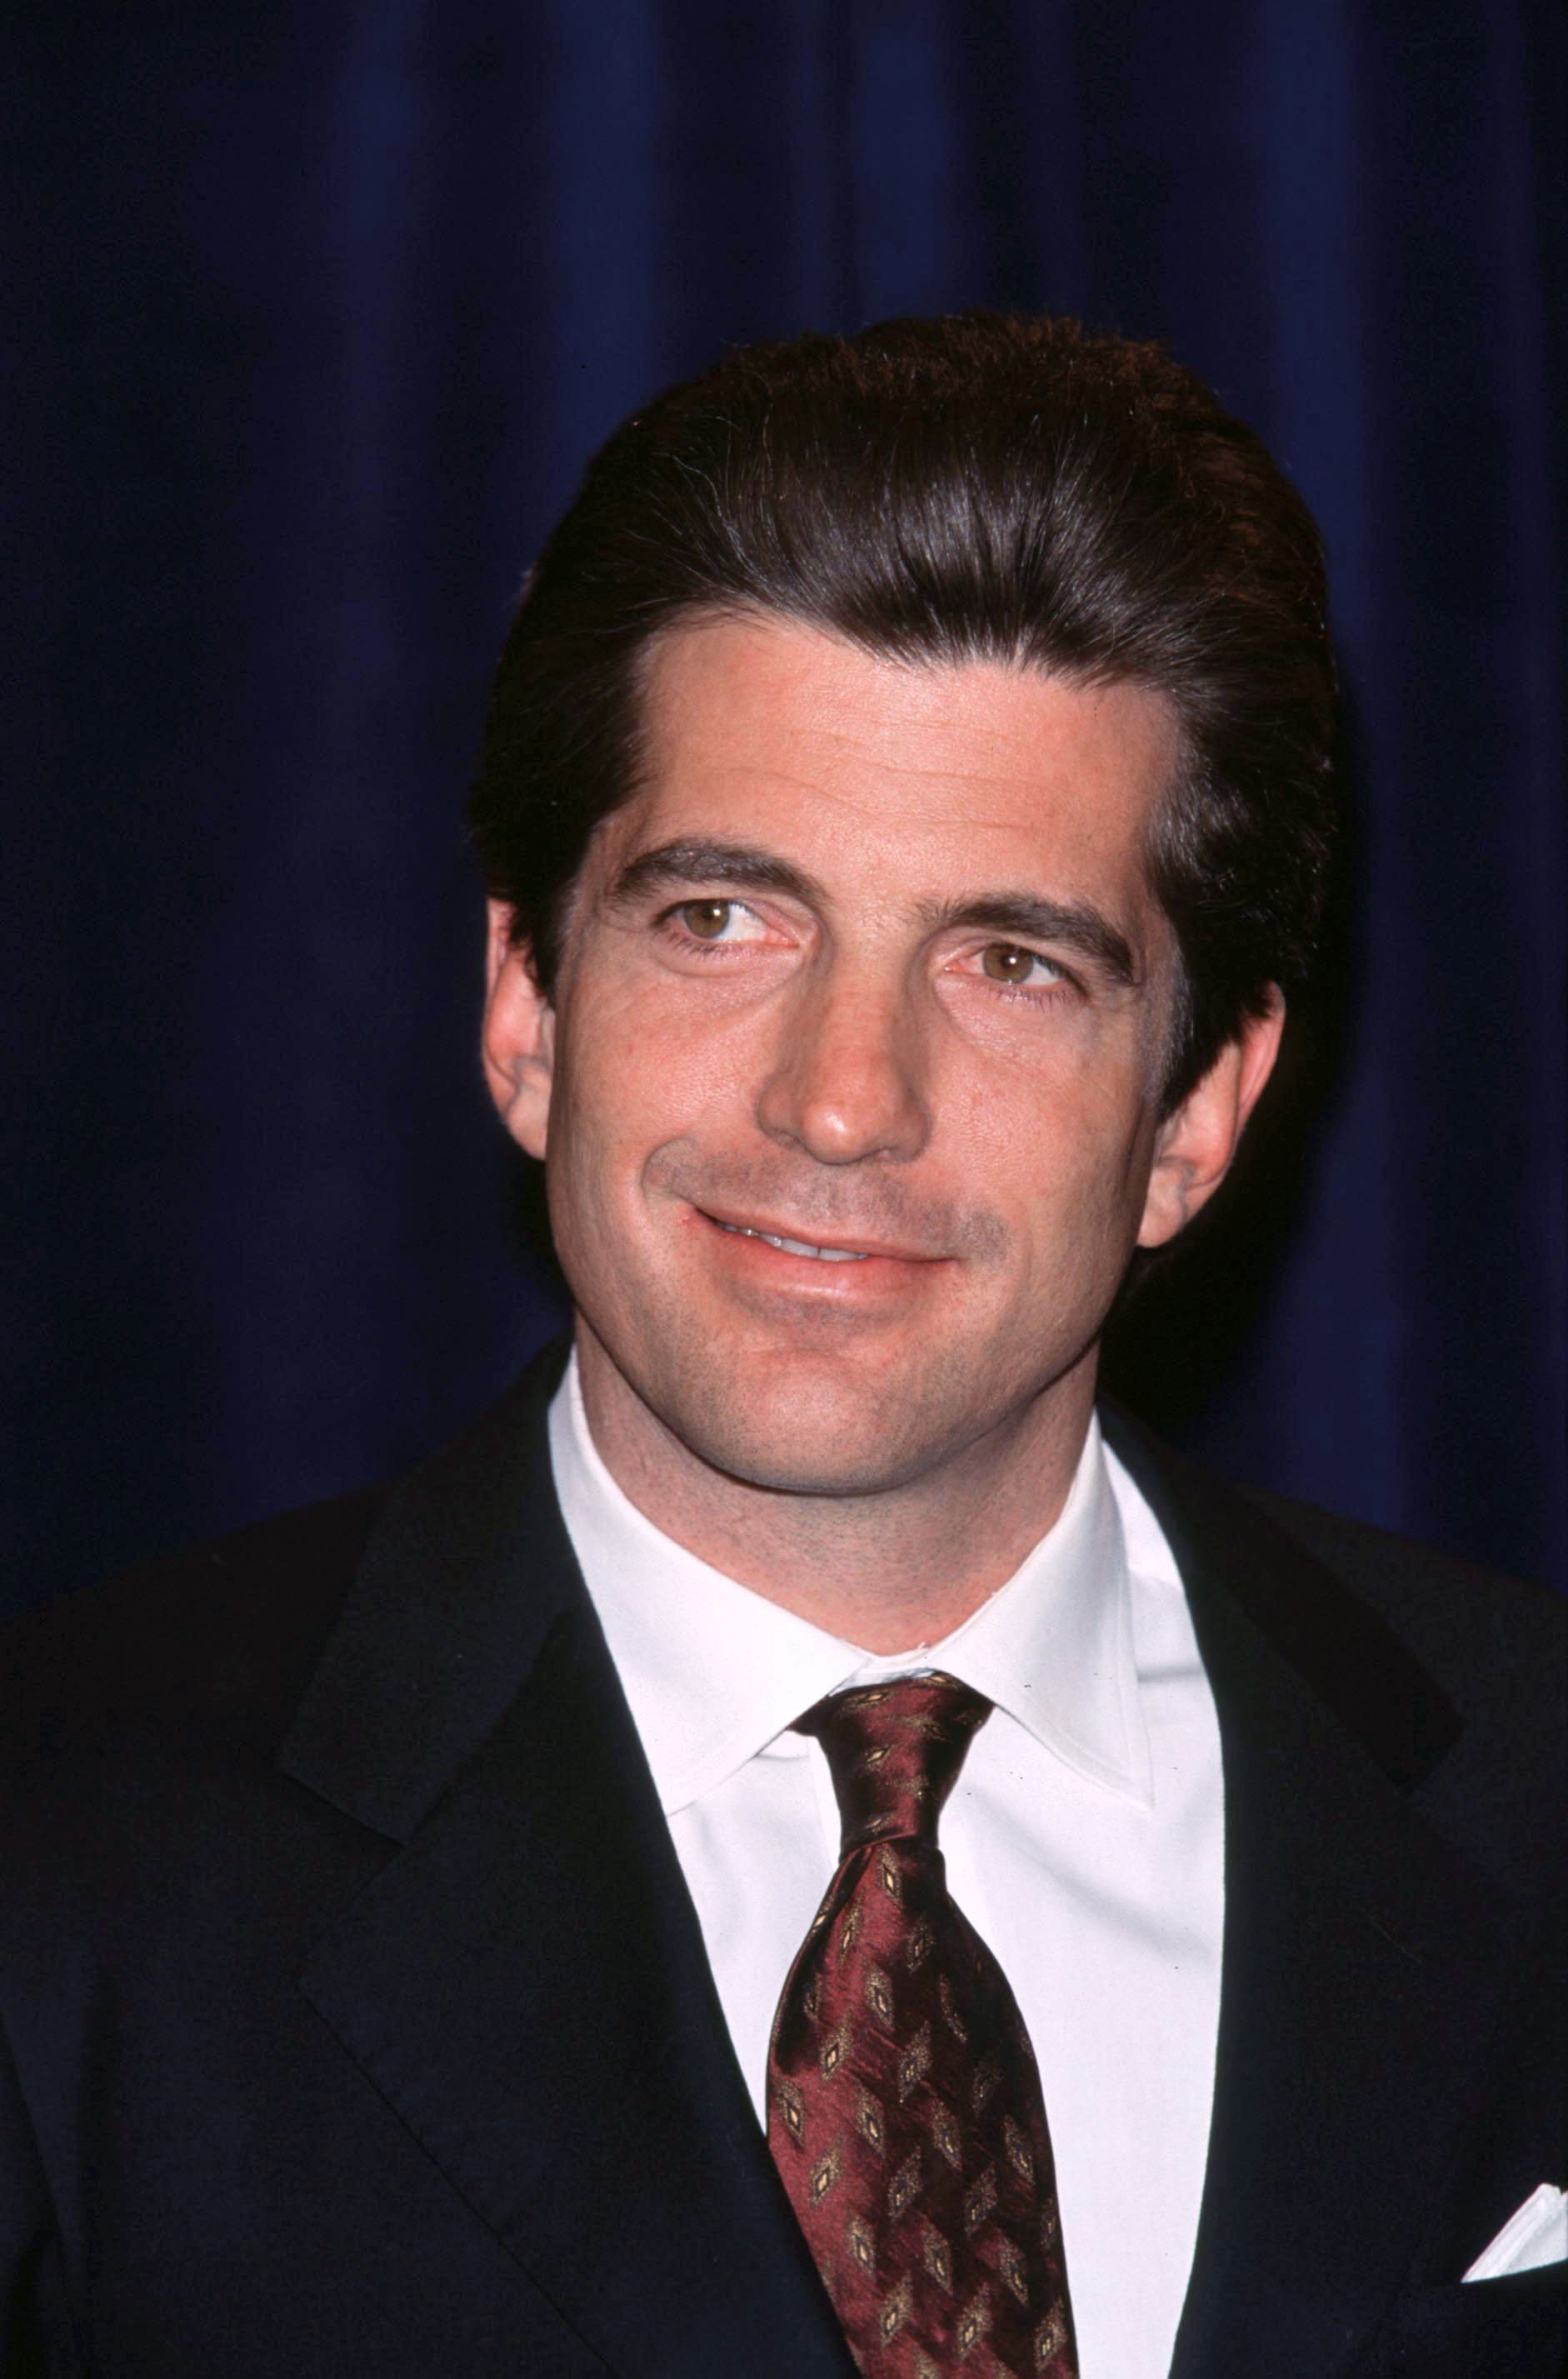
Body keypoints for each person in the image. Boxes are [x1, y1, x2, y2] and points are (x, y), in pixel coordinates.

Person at [2, 313, 1562, 2379]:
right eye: (722, 920)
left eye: (1009, 964)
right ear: (525, 1006)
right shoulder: (63, 1849)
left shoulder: (1535, 1795)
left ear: (1193, 1115)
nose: (842, 1101)